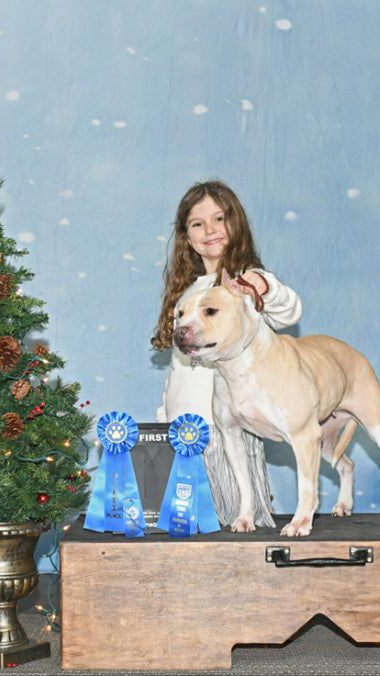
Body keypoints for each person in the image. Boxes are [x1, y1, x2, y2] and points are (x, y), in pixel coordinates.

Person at [151, 181, 302, 528]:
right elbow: (178, 369)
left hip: (228, 433)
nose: (210, 230)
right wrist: (166, 418)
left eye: (219, 218)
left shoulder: (244, 286)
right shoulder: (187, 294)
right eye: (197, 223)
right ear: (186, 237)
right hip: (185, 434)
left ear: (237, 223)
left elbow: (289, 311)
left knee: (235, 529)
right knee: (187, 533)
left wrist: (263, 286)